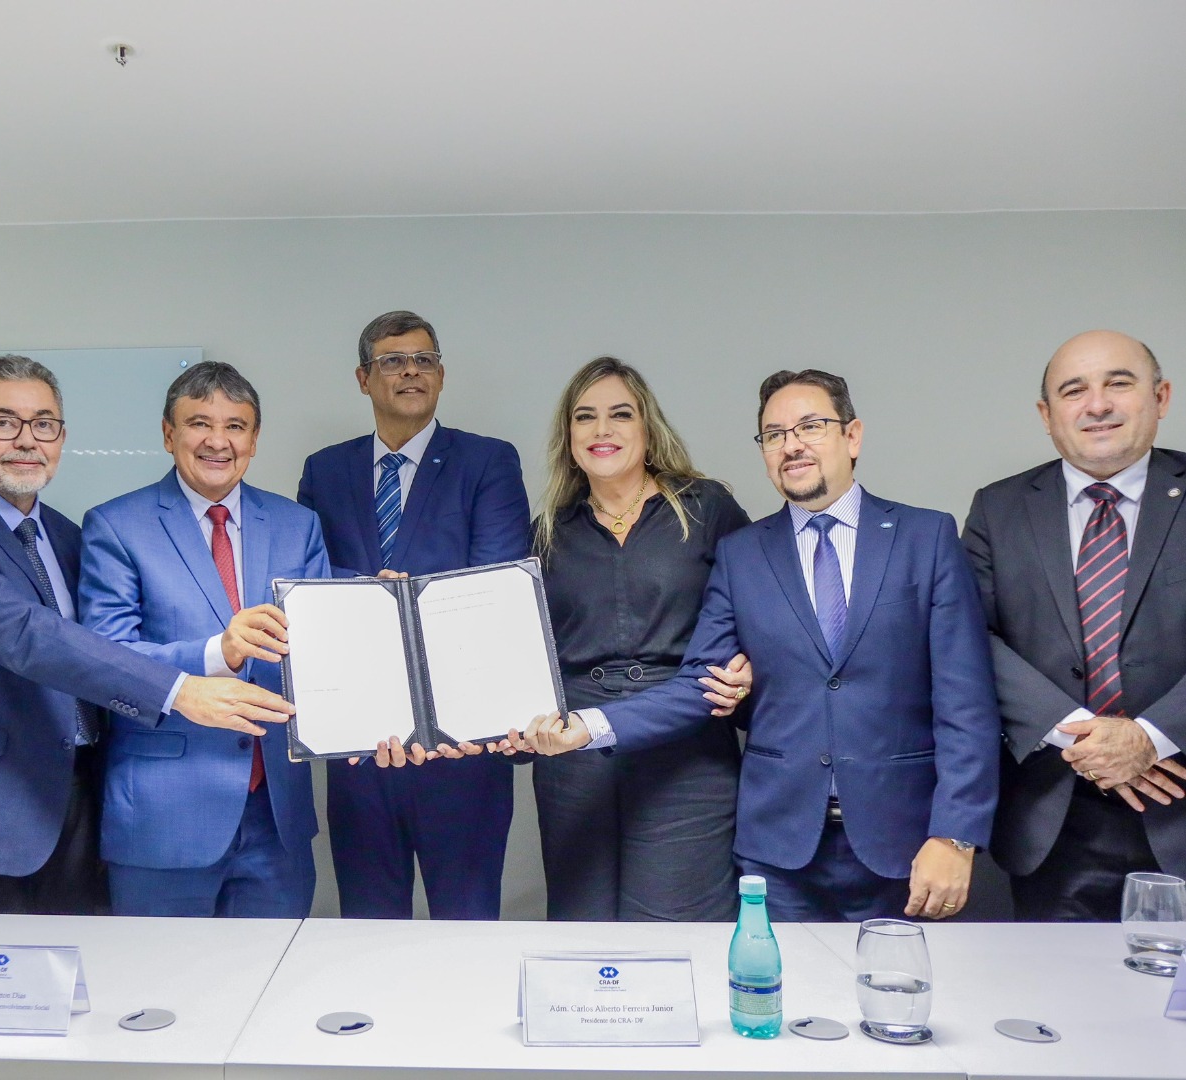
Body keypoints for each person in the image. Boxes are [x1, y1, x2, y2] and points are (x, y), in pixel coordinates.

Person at [502, 369, 1002, 923]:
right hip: (778, 843)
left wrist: (955, 835)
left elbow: (967, 703)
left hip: (901, 838)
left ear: (852, 436)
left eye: (811, 426)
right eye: (775, 434)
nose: (792, 445)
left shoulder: (925, 537)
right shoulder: (742, 553)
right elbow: (700, 678)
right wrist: (562, 726)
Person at [0, 355, 301, 915]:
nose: (27, 439)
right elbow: (25, 633)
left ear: (61, 438)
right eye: (3, 422)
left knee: (80, 966)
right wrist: (180, 689)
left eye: (43, 424)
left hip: (71, 798)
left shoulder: (65, 535)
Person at [296, 310, 531, 920]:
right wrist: (366, 591)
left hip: (462, 746)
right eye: (393, 361)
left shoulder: (488, 461)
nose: (410, 372)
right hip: (359, 747)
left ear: (441, 375)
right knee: (369, 929)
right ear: (363, 378)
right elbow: (308, 581)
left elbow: (495, 587)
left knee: (467, 927)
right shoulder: (325, 470)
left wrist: (396, 600)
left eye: (424, 360)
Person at [81, 362, 329, 918]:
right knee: (162, 972)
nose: (218, 441)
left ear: (255, 440)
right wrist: (219, 652)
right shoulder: (116, 525)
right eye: (199, 423)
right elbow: (104, 659)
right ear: (168, 434)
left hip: (277, 818)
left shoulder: (297, 525)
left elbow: (322, 647)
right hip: (165, 816)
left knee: (274, 971)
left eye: (235, 426)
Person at [962, 330, 1186, 921]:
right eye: (1074, 390)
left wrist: (1149, 737)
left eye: (1119, 383)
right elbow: (969, 639)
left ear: (1161, 397)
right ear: (1047, 414)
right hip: (1054, 817)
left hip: (1178, 793)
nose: (1098, 405)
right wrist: (1083, 736)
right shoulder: (998, 508)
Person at [531, 357, 751, 921]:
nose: (602, 429)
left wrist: (752, 663)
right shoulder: (547, 532)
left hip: (687, 754)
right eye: (585, 417)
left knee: (675, 934)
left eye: (620, 414)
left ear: (648, 428)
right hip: (574, 762)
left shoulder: (707, 509)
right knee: (581, 934)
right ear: (568, 437)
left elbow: (763, 607)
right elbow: (518, 652)